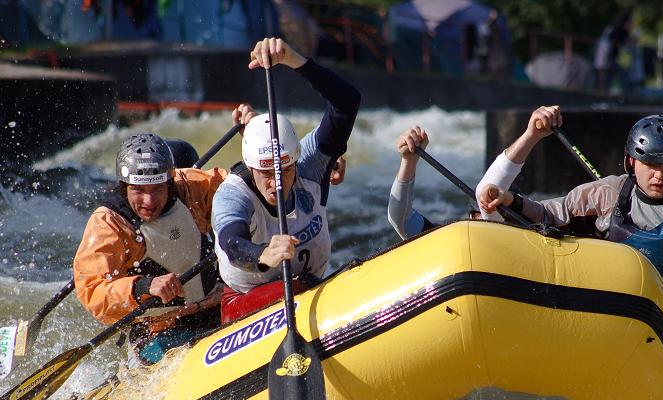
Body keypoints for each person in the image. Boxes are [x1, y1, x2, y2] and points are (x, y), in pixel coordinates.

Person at [476, 105, 663, 325]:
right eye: (650, 164)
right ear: (632, 162)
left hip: (662, 326)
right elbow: (547, 216)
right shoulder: (605, 194)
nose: (659, 175)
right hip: (604, 318)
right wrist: (512, 201)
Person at [212, 37, 361, 324]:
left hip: (311, 288)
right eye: (266, 173)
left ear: (294, 159)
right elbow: (232, 242)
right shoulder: (232, 194)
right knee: (299, 286)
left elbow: (347, 103)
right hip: (244, 303)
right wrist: (262, 254)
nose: (276, 183)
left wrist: (295, 60)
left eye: (285, 170)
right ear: (250, 167)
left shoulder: (308, 165)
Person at [73, 132, 233, 365]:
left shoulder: (188, 188)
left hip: (217, 306)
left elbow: (240, 187)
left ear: (169, 183)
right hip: (158, 331)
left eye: (157, 188)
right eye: (138, 190)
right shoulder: (110, 224)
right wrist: (143, 286)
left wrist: (253, 136)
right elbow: (93, 291)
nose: (149, 201)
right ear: (125, 186)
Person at [388, 126, 482, 240]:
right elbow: (402, 220)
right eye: (483, 216)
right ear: (472, 217)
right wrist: (409, 161)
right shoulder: (451, 238)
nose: (488, 225)